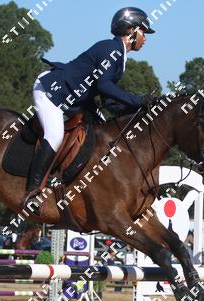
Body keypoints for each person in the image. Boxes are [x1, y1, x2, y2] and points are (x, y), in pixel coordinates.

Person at [23, 7, 156, 212]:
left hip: (74, 100)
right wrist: (137, 100)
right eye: (143, 32)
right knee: (55, 134)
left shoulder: (119, 56)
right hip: (51, 91)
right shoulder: (111, 49)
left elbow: (108, 100)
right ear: (131, 30)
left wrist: (137, 110)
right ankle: (32, 192)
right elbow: (104, 85)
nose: (145, 38)